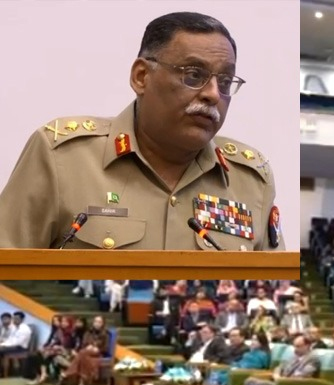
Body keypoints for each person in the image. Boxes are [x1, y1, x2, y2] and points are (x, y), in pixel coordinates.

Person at [0, 12, 283, 251]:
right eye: (193, 75)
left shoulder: (251, 181)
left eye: (225, 81)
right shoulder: (62, 158)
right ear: (141, 77)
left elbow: (274, 287)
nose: (213, 94)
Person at [59, 316, 110, 385]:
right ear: (93, 323)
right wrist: (89, 345)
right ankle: (81, 382)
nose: (97, 324)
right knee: (83, 355)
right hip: (86, 352)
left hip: (97, 352)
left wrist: (97, 348)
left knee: (81, 353)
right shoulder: (88, 332)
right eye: (96, 321)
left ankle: (68, 373)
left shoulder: (106, 334)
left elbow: (105, 347)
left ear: (102, 324)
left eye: (99, 322)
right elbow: (84, 343)